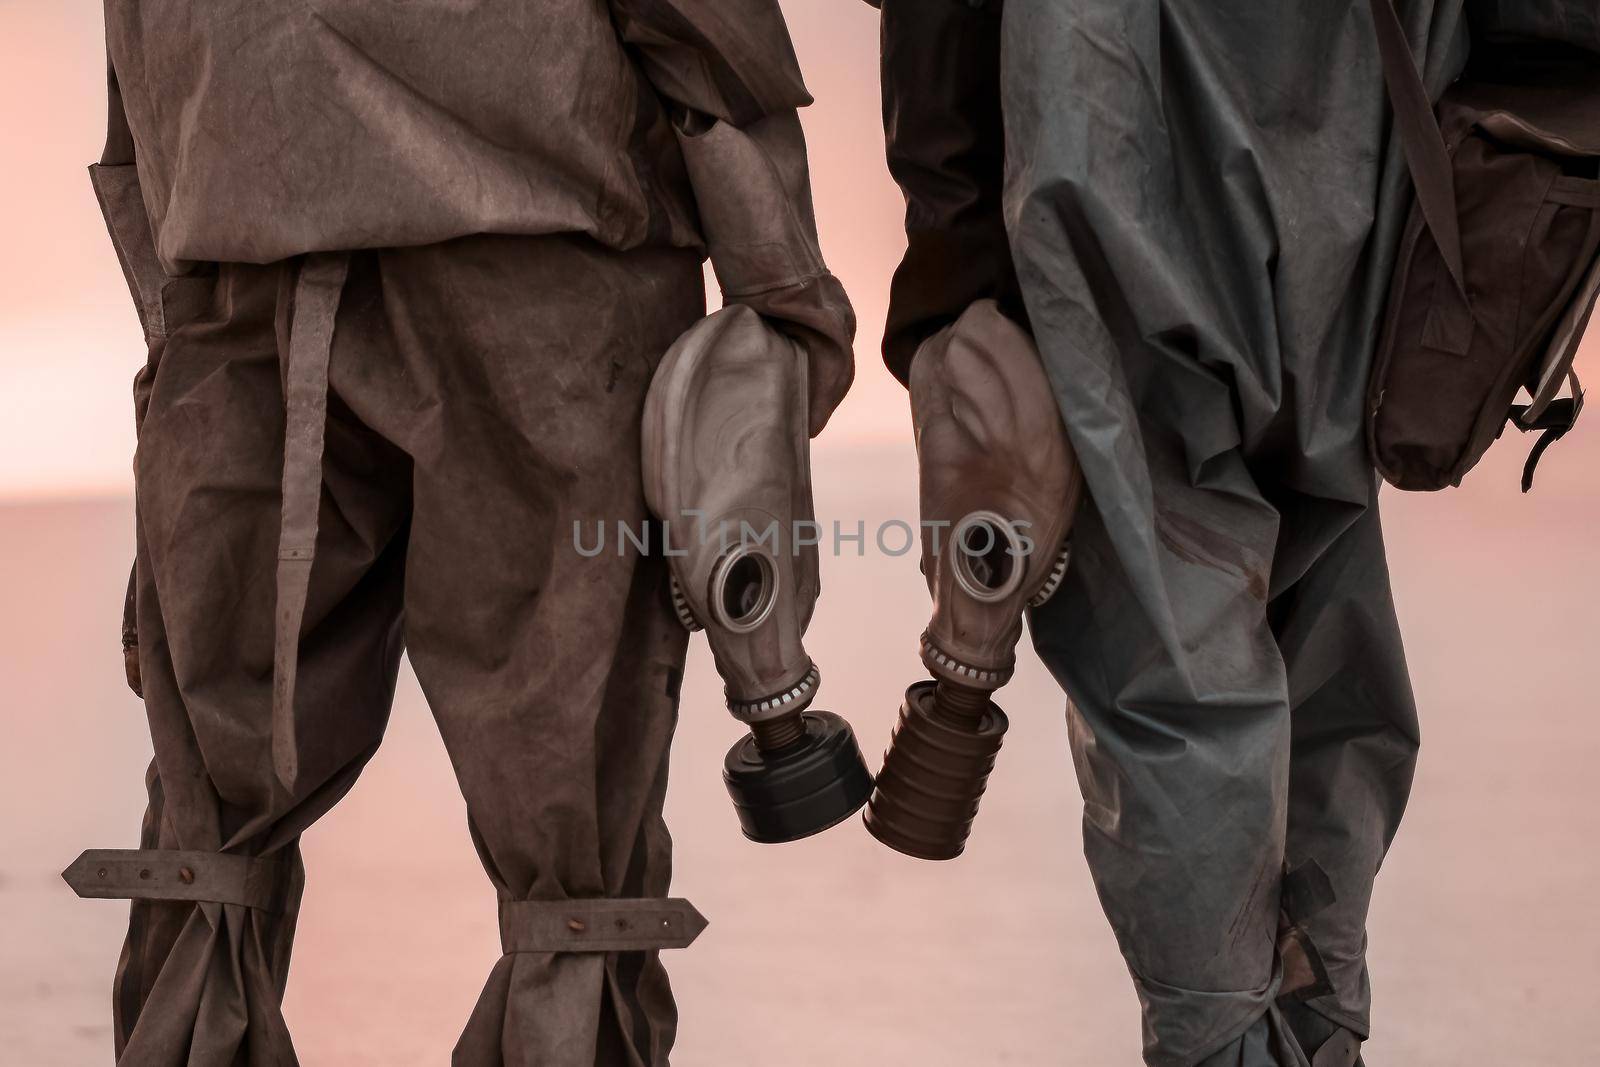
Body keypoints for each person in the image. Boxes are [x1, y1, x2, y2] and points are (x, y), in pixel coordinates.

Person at [65, 2, 852, 1064]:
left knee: (211, 813)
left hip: (241, 236)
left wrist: (179, 305)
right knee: (575, 845)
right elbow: (711, 37)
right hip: (542, 256)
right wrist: (786, 297)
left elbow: (135, 84)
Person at [869, 1, 1466, 1063]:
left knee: (1171, 671)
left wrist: (950, 267)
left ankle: (1229, 1047)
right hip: (1362, 158)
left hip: (1107, 158)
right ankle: (1318, 1031)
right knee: (1327, 609)